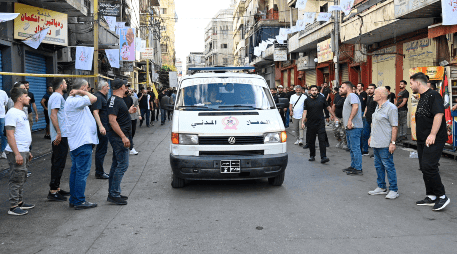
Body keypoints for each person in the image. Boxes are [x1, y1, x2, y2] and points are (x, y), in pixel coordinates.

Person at [410, 72, 450, 211]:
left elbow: (439, 115)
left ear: (418, 83)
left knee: (429, 166)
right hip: (422, 139)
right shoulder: (422, 97)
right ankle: (431, 195)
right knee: (423, 167)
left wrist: (432, 134)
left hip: (433, 139)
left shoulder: (434, 95)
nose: (410, 86)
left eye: (411, 83)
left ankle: (442, 196)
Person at [65, 79, 98, 210]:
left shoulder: (73, 101)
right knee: (81, 173)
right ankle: (79, 200)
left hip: (78, 142)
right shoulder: (76, 100)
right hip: (82, 142)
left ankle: (74, 199)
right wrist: (80, 91)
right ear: (84, 88)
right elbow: (94, 98)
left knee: (76, 171)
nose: (89, 90)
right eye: (87, 88)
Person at [5, 87, 34, 216]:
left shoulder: (22, 112)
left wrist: (27, 151)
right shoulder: (12, 113)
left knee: (22, 177)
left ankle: (20, 202)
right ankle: (13, 206)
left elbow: (22, 133)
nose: (29, 98)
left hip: (24, 150)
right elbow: (10, 135)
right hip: (16, 151)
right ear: (19, 98)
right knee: (16, 178)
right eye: (26, 96)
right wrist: (17, 153)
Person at [107, 79, 135, 205]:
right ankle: (114, 194)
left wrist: (128, 112)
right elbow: (112, 121)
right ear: (122, 87)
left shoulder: (115, 100)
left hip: (118, 136)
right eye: (125, 86)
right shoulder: (116, 100)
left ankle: (113, 192)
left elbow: (118, 116)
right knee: (123, 165)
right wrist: (123, 137)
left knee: (116, 164)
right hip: (119, 137)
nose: (127, 87)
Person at [368, 87, 399, 199]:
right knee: (378, 166)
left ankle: (394, 190)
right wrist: (371, 136)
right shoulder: (378, 107)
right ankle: (381, 187)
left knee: (388, 166)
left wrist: (393, 142)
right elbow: (374, 123)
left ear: (381, 95)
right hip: (376, 142)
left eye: (375, 93)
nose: (373, 95)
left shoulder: (391, 108)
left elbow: (394, 126)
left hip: (385, 144)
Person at [48, 78, 70, 201]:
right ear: (61, 85)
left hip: (61, 134)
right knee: (58, 163)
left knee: (59, 162)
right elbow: (53, 115)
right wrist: (59, 132)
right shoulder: (57, 96)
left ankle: (56, 188)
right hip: (59, 135)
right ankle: (53, 191)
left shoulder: (57, 96)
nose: (66, 85)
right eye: (65, 83)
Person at [301, 85, 335, 163]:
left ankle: (323, 157)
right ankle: (312, 155)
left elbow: (328, 108)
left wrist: (334, 116)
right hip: (310, 123)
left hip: (320, 123)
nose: (314, 91)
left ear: (318, 91)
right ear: (309, 91)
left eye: (315, 90)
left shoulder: (322, 98)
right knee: (311, 140)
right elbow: (305, 112)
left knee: (322, 140)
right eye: (312, 90)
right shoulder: (307, 100)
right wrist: (303, 122)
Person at [341, 81, 364, 176]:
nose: (340, 89)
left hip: (355, 127)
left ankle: (358, 168)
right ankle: (353, 166)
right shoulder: (349, 97)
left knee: (355, 148)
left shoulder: (352, 96)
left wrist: (350, 120)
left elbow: (355, 107)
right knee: (351, 148)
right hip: (350, 127)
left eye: (342, 87)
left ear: (348, 88)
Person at [91, 80, 110, 179]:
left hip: (104, 126)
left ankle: (100, 171)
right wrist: (101, 126)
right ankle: (99, 172)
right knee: (101, 150)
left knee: (102, 149)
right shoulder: (98, 97)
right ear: (103, 87)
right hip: (101, 127)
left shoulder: (101, 97)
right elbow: (95, 112)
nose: (109, 87)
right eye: (107, 86)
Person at [123, 88, 141, 155]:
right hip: (127, 118)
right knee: (128, 132)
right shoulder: (121, 99)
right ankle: (131, 147)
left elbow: (137, 106)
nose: (129, 92)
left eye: (130, 91)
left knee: (133, 131)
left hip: (134, 117)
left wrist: (139, 115)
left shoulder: (133, 99)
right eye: (128, 91)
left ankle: (130, 142)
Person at [362, 84, 377, 156]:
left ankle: (375, 153)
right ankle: (365, 151)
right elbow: (367, 106)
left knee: (374, 136)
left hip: (374, 120)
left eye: (371, 88)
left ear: (374, 89)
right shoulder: (368, 97)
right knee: (365, 134)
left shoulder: (376, 98)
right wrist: (364, 114)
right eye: (368, 88)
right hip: (367, 119)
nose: (369, 89)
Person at [0, 86, 9, 159]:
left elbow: (6, 103)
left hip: (2, 117)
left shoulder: (3, 93)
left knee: (3, 134)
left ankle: (2, 152)